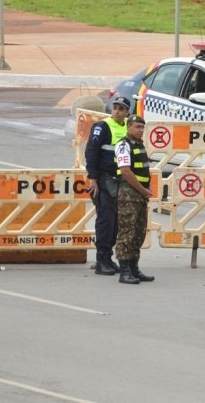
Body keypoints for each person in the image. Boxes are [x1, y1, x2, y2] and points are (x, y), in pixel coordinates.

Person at [85, 95, 129, 275]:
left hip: (120, 180)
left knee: (116, 221)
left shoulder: (128, 127)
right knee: (106, 220)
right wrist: (93, 178)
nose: (117, 111)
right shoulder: (102, 127)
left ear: (127, 112)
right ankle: (101, 260)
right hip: (103, 179)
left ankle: (108, 258)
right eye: (115, 107)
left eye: (121, 108)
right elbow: (91, 152)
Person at [114, 114, 155, 284]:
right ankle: (124, 271)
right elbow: (125, 171)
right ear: (129, 127)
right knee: (127, 233)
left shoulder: (140, 145)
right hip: (128, 194)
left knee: (138, 233)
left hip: (139, 195)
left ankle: (133, 268)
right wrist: (143, 190)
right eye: (137, 127)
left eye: (142, 127)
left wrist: (145, 190)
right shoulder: (123, 145)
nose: (140, 130)